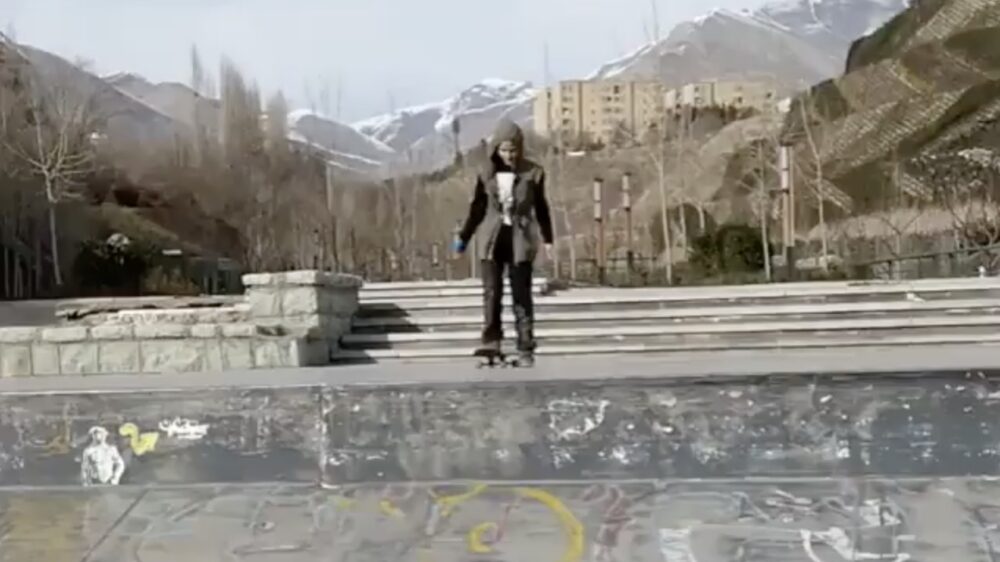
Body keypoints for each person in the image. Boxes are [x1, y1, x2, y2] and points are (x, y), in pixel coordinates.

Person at [453, 118, 553, 366]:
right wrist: (463, 238)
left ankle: (525, 346)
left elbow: (541, 207)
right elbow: (477, 208)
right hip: (492, 240)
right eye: (504, 150)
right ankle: (491, 343)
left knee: (521, 295)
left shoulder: (532, 173)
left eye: (513, 150)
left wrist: (548, 238)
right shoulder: (486, 173)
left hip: (520, 240)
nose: (509, 155)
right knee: (492, 294)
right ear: (496, 149)